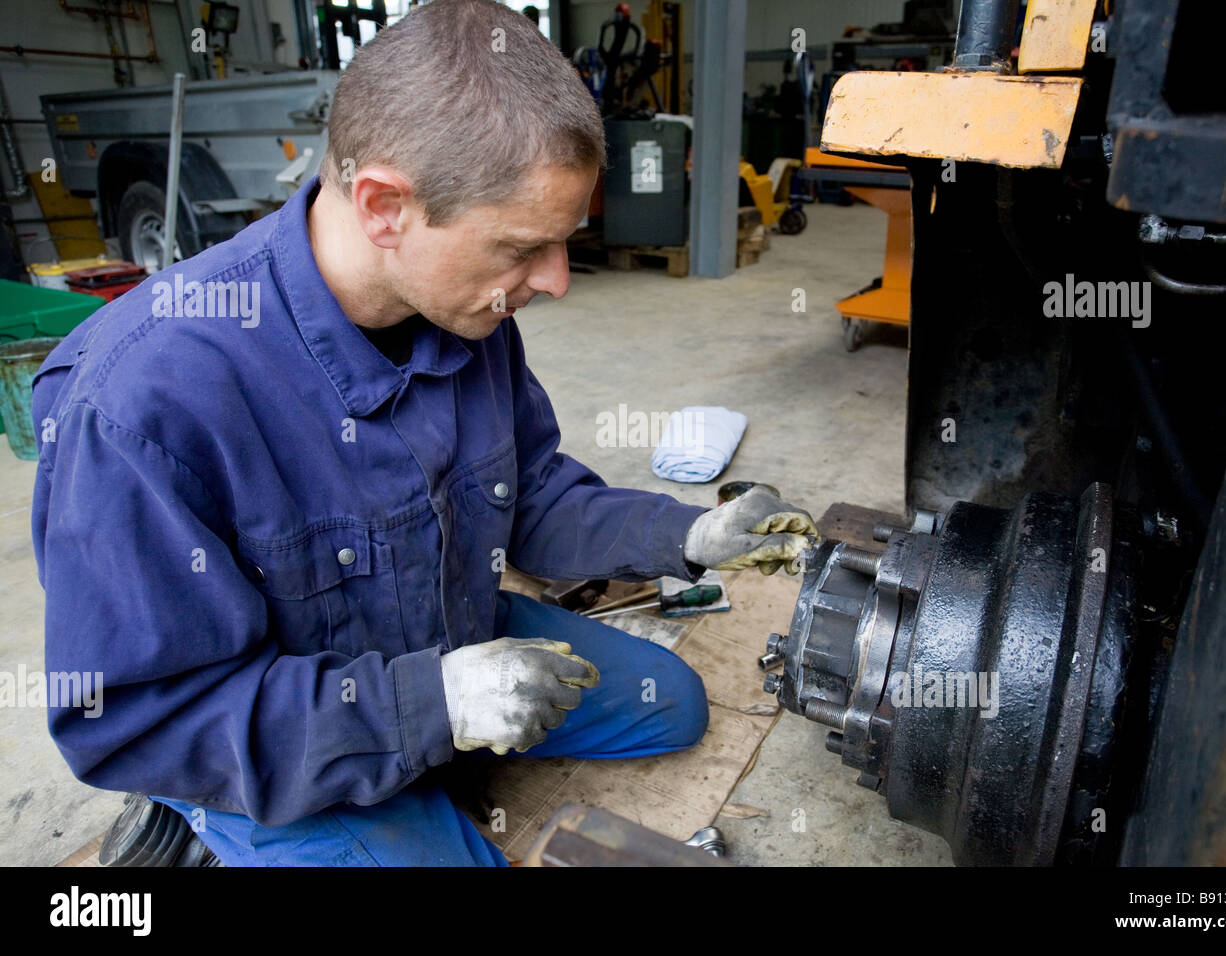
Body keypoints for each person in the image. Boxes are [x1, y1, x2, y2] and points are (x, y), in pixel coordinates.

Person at [30, 0, 815, 866]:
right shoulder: (141, 403)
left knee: (672, 702)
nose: (555, 281)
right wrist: (432, 706)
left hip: (444, 626)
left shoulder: (468, 312)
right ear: (383, 206)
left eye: (563, 244)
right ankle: (201, 824)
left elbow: (532, 494)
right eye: (524, 247)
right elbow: (134, 721)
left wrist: (688, 533)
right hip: (287, 724)